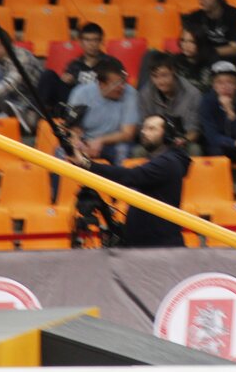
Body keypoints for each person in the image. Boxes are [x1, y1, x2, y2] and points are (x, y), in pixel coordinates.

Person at [67, 114, 190, 248]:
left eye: (152, 129)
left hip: (159, 247)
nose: (144, 132)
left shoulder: (168, 162)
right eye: (144, 128)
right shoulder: (163, 161)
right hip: (148, 243)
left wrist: (86, 163)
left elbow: (130, 176)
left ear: (167, 135)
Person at [68, 60, 140, 165]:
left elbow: (127, 133)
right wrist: (78, 143)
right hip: (85, 141)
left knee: (123, 151)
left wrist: (100, 141)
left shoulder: (131, 94)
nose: (122, 87)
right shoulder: (81, 93)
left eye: (123, 82)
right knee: (61, 152)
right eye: (116, 84)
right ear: (101, 84)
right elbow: (73, 127)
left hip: (114, 143)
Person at [38, 23, 122, 109]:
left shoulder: (111, 64)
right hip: (75, 105)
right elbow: (67, 90)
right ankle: (40, 111)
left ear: (101, 41)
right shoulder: (74, 65)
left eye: (95, 40)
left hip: (100, 104)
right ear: (80, 42)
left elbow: (119, 88)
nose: (92, 44)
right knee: (48, 75)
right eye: (87, 40)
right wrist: (66, 81)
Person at [137, 53, 202, 156]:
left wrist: (183, 140)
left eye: (164, 75)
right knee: (138, 152)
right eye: (155, 76)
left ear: (173, 71)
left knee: (195, 149)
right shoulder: (145, 94)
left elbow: (194, 131)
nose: (160, 81)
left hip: (183, 143)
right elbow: (143, 128)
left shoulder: (192, 94)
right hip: (156, 143)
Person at [199, 61, 236, 163]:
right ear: (213, 85)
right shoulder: (207, 102)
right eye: (220, 82)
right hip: (220, 146)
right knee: (216, 152)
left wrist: (230, 113)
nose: (225, 86)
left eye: (230, 82)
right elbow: (211, 136)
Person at [182, 0, 236, 67]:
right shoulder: (194, 17)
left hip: (229, 63)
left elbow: (235, 49)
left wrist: (207, 52)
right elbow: (187, 42)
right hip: (202, 62)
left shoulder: (235, 16)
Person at [172, 23, 219, 94]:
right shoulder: (176, 61)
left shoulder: (212, 62)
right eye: (183, 40)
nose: (186, 45)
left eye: (192, 42)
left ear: (200, 43)